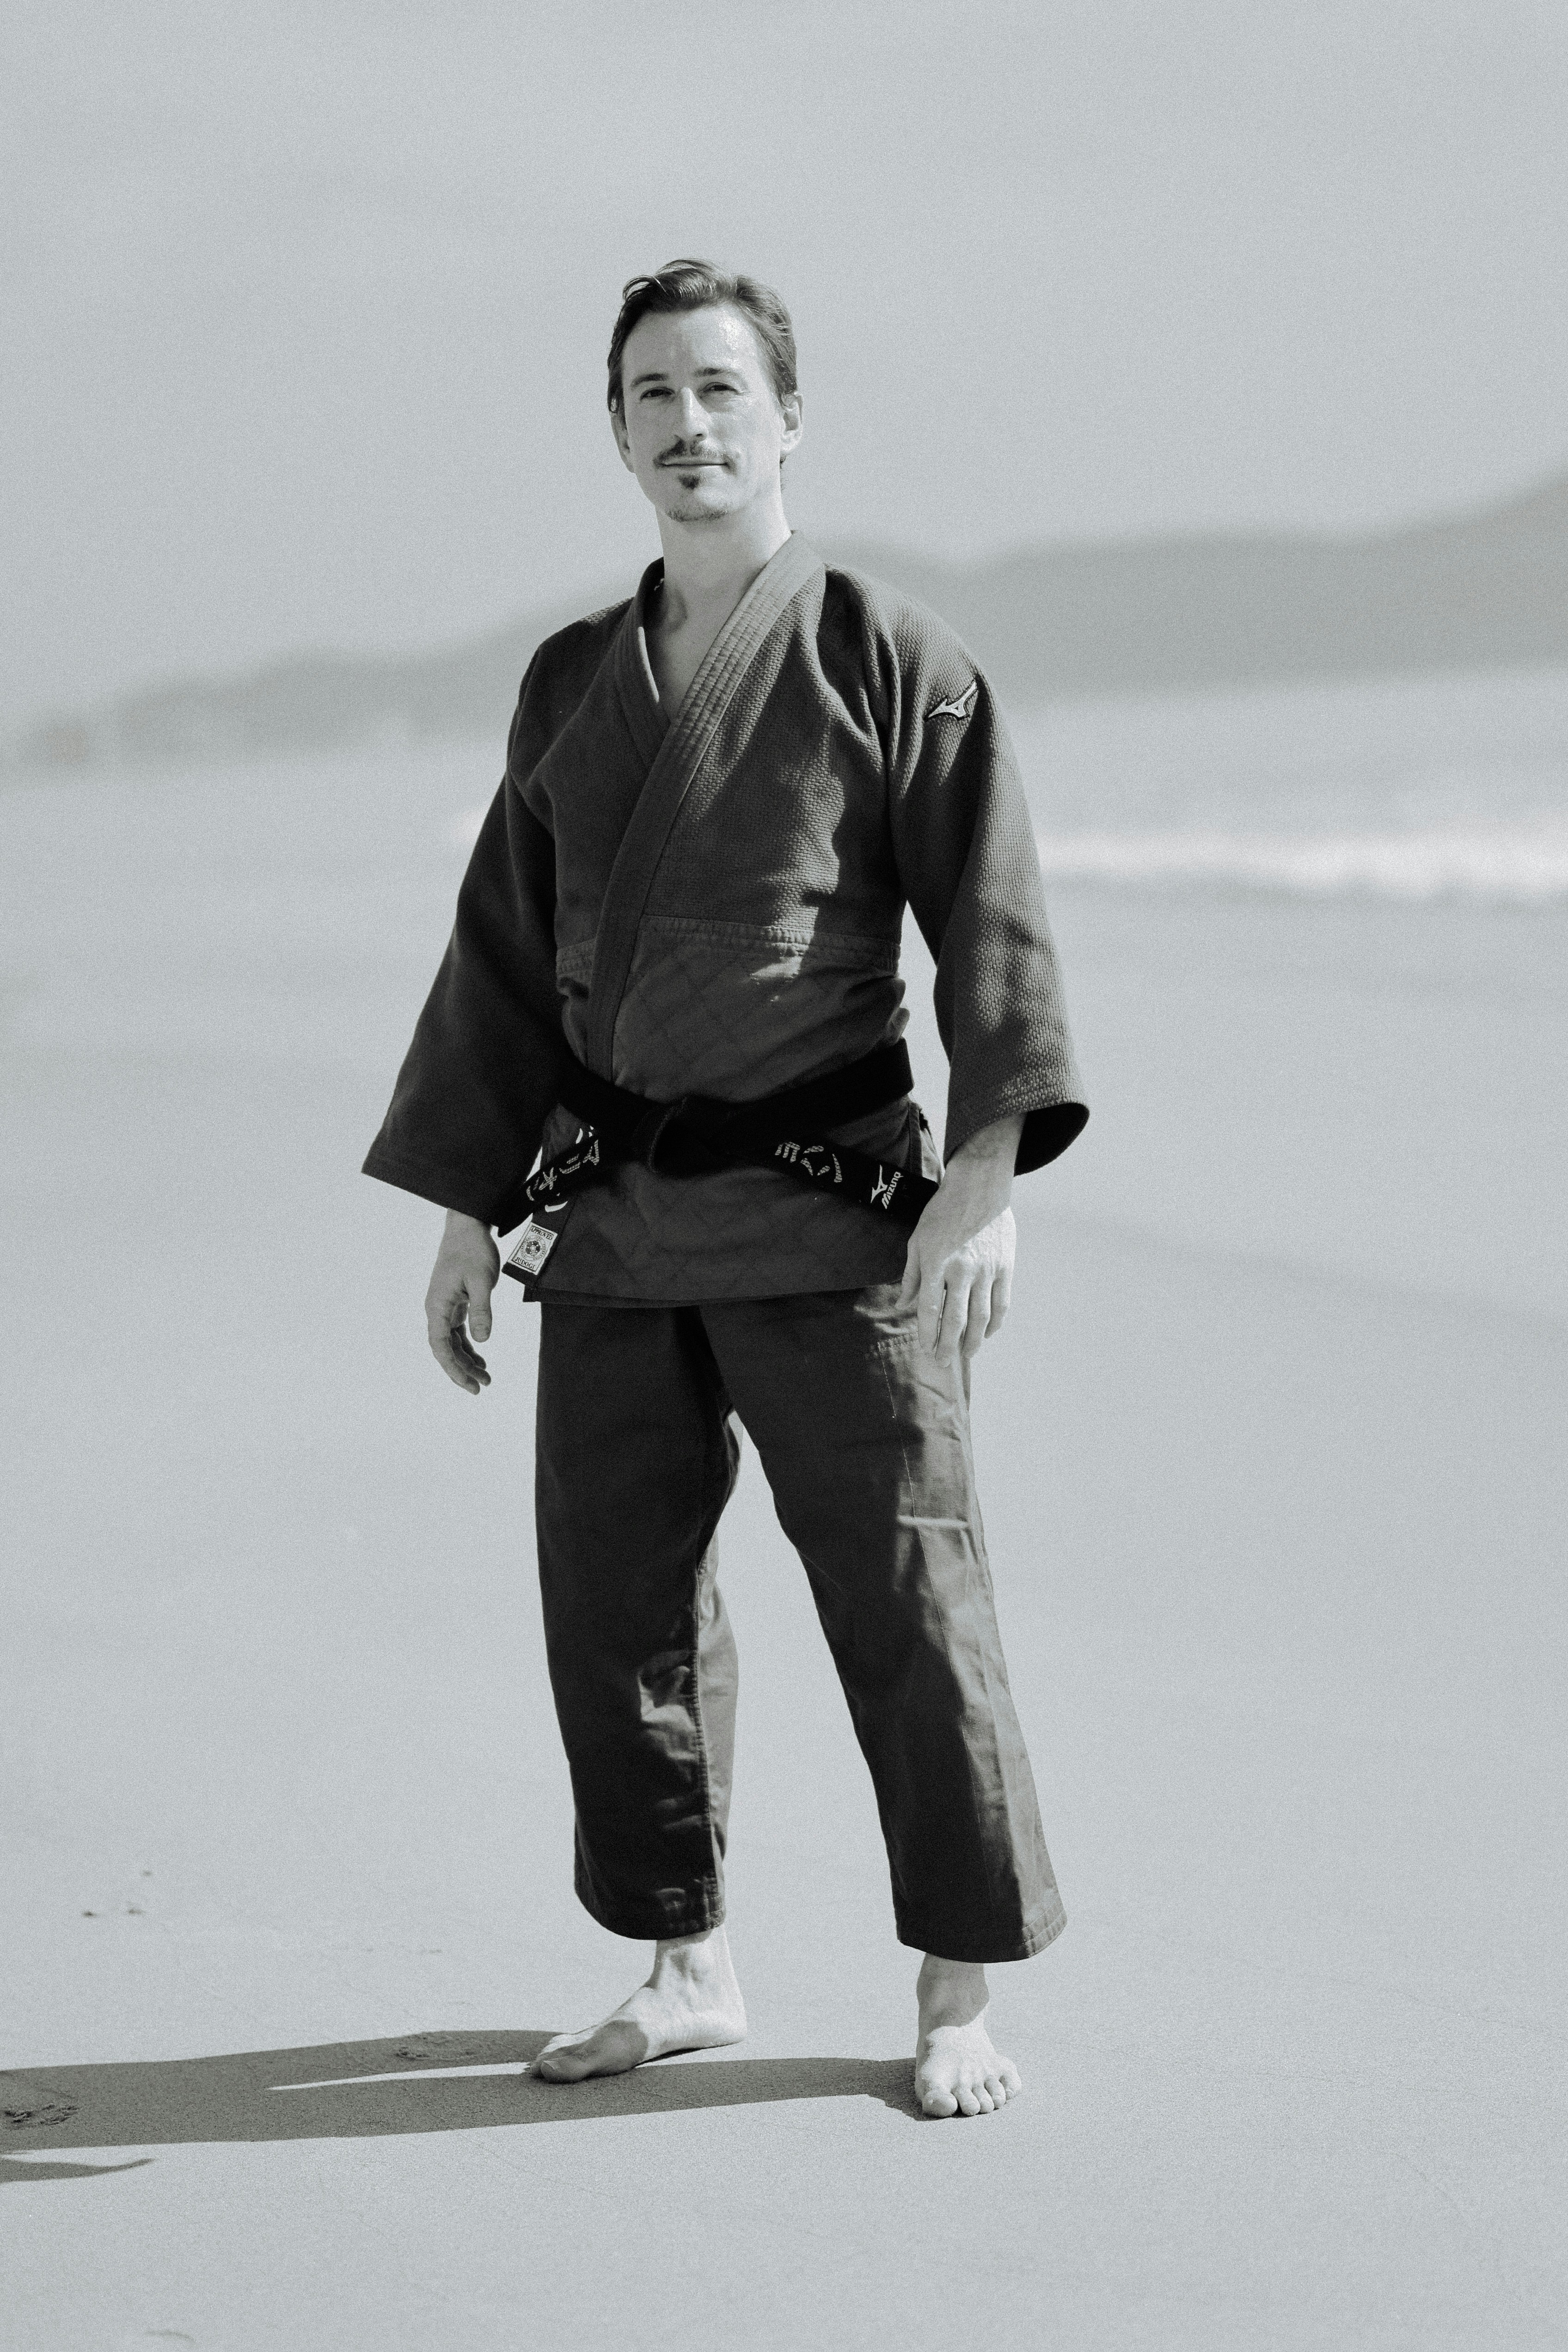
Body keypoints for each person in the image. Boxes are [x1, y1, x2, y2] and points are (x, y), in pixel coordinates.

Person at [363, 259, 1088, 2120]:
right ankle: (684, 1967)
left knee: (910, 1601)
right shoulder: (565, 682)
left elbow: (987, 926)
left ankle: (953, 1989)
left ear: (785, 412)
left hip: (832, 1213)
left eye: (717, 387)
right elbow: (502, 963)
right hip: (604, 1224)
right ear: (615, 430)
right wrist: (466, 1208)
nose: (689, 425)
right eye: (650, 396)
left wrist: (984, 1177)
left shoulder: (885, 654)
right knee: (616, 1608)